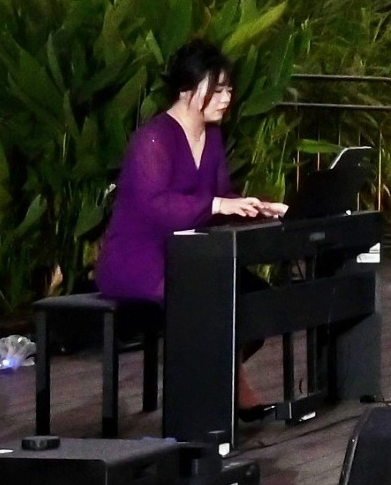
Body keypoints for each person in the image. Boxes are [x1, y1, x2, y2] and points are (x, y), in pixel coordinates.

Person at [97, 40, 286, 305]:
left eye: (228, 90)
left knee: (259, 298)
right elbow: (154, 205)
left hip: (188, 256)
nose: (226, 99)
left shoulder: (213, 136)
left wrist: (256, 209)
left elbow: (221, 197)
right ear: (185, 90)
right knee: (215, 300)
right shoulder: (153, 138)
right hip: (140, 259)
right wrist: (217, 204)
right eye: (217, 90)